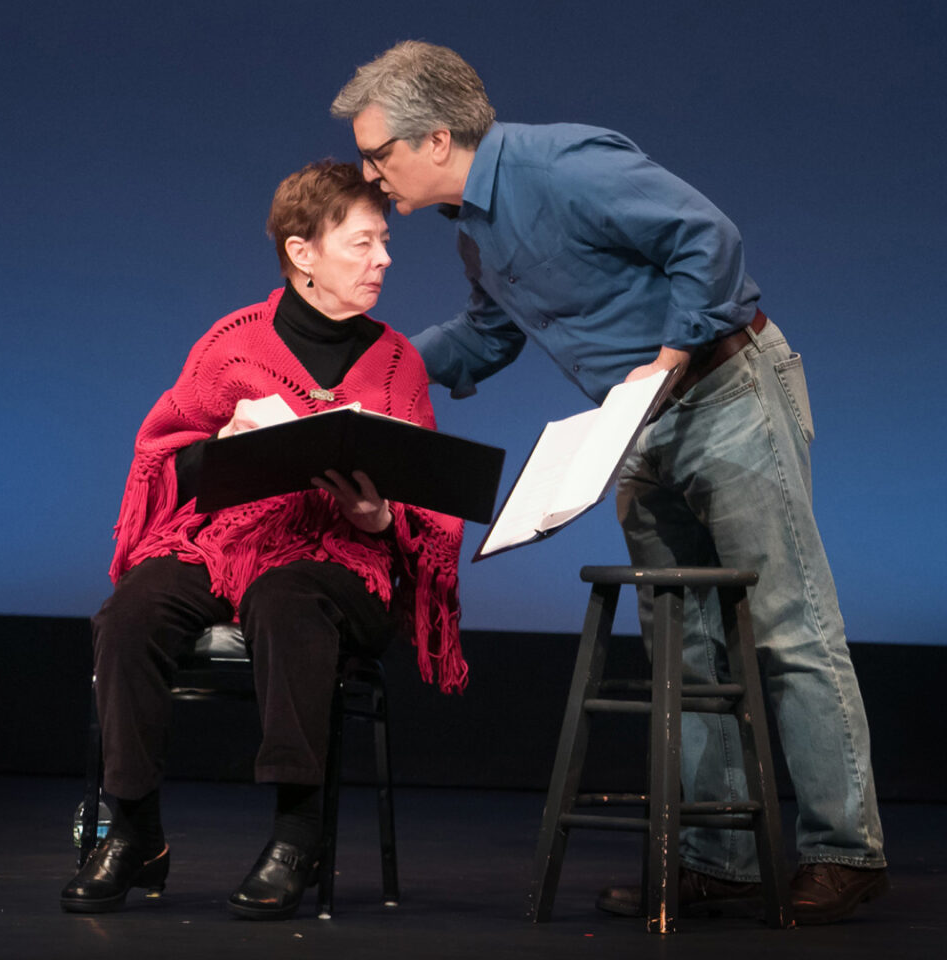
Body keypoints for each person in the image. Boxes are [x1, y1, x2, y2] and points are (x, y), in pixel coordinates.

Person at [331, 41, 888, 925]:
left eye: (379, 154)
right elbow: (486, 339)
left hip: (723, 392)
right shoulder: (475, 231)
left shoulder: (561, 165)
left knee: (787, 625)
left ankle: (843, 849)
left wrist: (668, 356)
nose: (372, 174)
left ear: (436, 139)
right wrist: (372, 362)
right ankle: (720, 858)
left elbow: (707, 240)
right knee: (687, 646)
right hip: (634, 428)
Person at [60, 160, 466, 920]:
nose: (384, 259)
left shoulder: (398, 360)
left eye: (384, 243)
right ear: (302, 252)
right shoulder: (233, 342)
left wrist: (383, 519)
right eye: (364, 243)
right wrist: (224, 444)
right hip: (236, 535)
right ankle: (135, 832)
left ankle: (297, 834)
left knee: (287, 599)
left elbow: (425, 490)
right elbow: (165, 453)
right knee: (132, 612)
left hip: (349, 561)